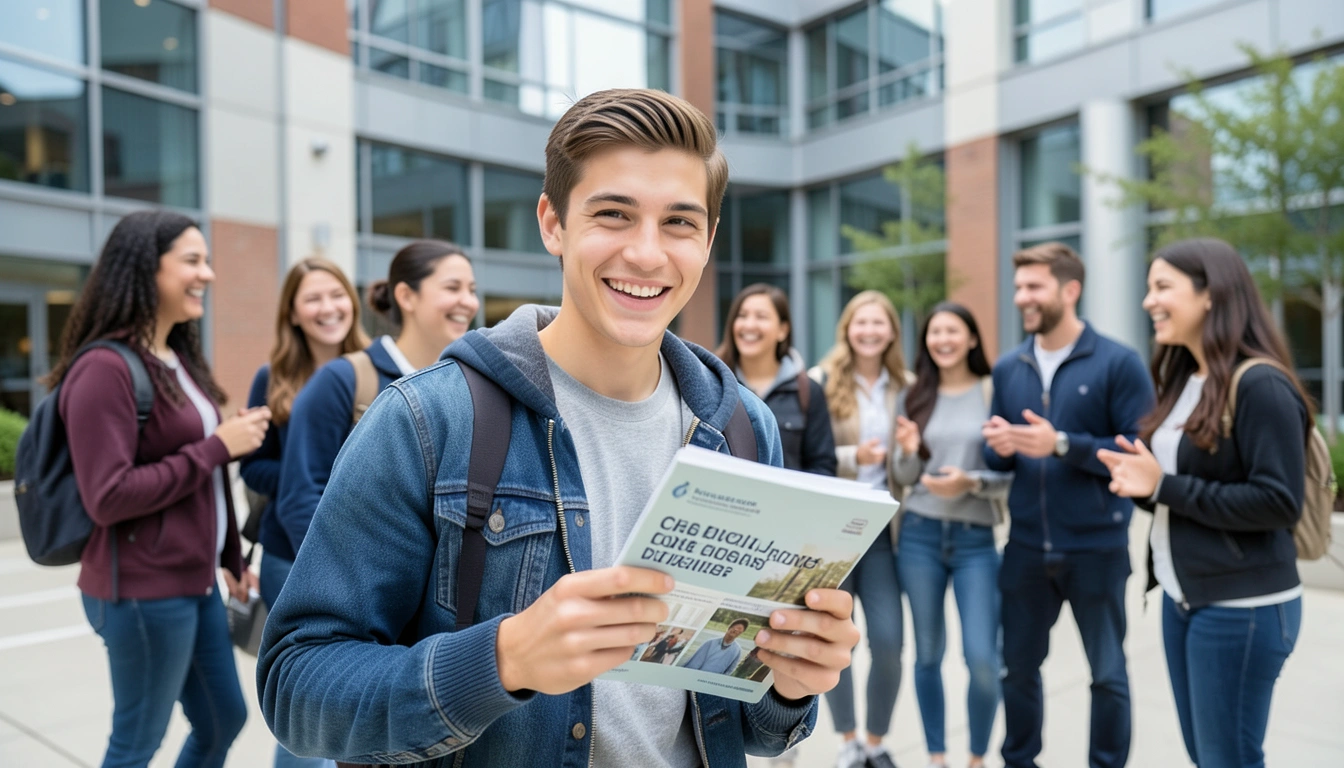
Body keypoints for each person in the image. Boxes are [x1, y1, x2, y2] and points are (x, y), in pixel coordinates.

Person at [257, 88, 859, 767]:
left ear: (709, 239)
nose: (647, 254)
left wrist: (791, 684)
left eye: (679, 224)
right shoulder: (429, 420)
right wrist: (501, 660)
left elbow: (741, 723)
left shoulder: (743, 428)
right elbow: (295, 687)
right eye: (614, 214)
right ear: (553, 222)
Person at [51, 210, 269, 768]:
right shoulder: (104, 368)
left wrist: (227, 556)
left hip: (192, 582)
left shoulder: (176, 359)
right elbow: (109, 494)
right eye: (192, 261)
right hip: (141, 592)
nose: (209, 274)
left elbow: (203, 474)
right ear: (146, 269)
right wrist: (219, 445)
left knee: (224, 719)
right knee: (136, 743)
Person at [1097, 238, 1308, 768]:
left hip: (1245, 607)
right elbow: (1187, 492)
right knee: (1207, 755)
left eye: (1162, 287)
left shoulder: (1259, 383)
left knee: (1227, 758)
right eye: (1148, 288)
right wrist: (1142, 486)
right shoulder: (1184, 380)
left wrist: (1162, 486)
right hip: (1183, 595)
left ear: (1211, 294)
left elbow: (1279, 501)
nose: (1149, 301)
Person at [981, 242, 1154, 768]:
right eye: (1019, 287)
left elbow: (1135, 457)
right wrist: (999, 445)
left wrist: (1062, 444)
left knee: (1107, 674)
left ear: (1069, 290)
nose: (1021, 297)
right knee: (1018, 670)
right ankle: (1020, 762)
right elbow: (1004, 459)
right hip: (1026, 548)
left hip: (1097, 549)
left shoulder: (1119, 363)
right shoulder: (1010, 367)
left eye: (1033, 287)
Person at [272, 241, 478, 566]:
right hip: (355, 586)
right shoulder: (342, 379)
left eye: (471, 289)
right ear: (406, 296)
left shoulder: (469, 386)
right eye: (453, 287)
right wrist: (335, 588)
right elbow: (301, 496)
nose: (468, 302)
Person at [239, 257, 368, 768]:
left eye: (336, 295)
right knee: (308, 705)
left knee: (351, 704)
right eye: (312, 298)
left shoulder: (372, 369)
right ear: (292, 312)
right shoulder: (272, 378)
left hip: (366, 557)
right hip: (288, 557)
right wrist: (305, 477)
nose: (327, 307)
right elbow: (252, 468)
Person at [889, 302, 1009, 768]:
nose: (943, 340)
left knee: (982, 659)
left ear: (973, 339)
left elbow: (1011, 472)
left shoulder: (991, 391)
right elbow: (903, 475)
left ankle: (977, 757)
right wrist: (906, 453)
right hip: (919, 534)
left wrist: (971, 482)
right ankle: (937, 756)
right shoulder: (914, 394)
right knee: (927, 656)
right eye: (934, 331)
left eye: (953, 331)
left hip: (976, 540)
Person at [809, 290, 909, 768]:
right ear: (847, 329)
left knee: (889, 641)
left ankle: (876, 740)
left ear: (891, 330)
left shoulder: (908, 386)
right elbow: (814, 455)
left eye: (879, 323)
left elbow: (912, 463)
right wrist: (856, 458)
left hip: (885, 534)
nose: (869, 331)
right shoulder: (820, 382)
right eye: (860, 323)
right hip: (836, 531)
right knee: (833, 637)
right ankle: (848, 741)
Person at [716, 283, 835, 475]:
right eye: (742, 315)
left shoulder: (808, 391)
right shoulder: (714, 384)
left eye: (761, 317)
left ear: (783, 330)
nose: (749, 325)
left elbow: (823, 467)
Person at [682, 619, 751, 674]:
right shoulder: (710, 642)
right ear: (729, 628)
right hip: (697, 676)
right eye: (734, 627)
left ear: (741, 633)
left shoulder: (737, 650)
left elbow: (730, 670)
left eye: (739, 629)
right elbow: (695, 662)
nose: (735, 630)